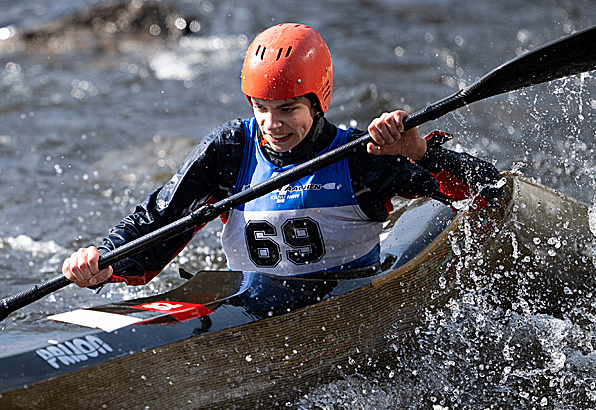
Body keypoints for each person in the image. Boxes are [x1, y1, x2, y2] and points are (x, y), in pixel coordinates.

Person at [63, 22, 503, 288]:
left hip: (341, 303)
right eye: (262, 108)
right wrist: (106, 259)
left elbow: (491, 193)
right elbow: (159, 219)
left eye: (288, 110)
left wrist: (419, 152)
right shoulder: (230, 151)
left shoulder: (362, 156)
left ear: (318, 100)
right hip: (248, 306)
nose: (273, 125)